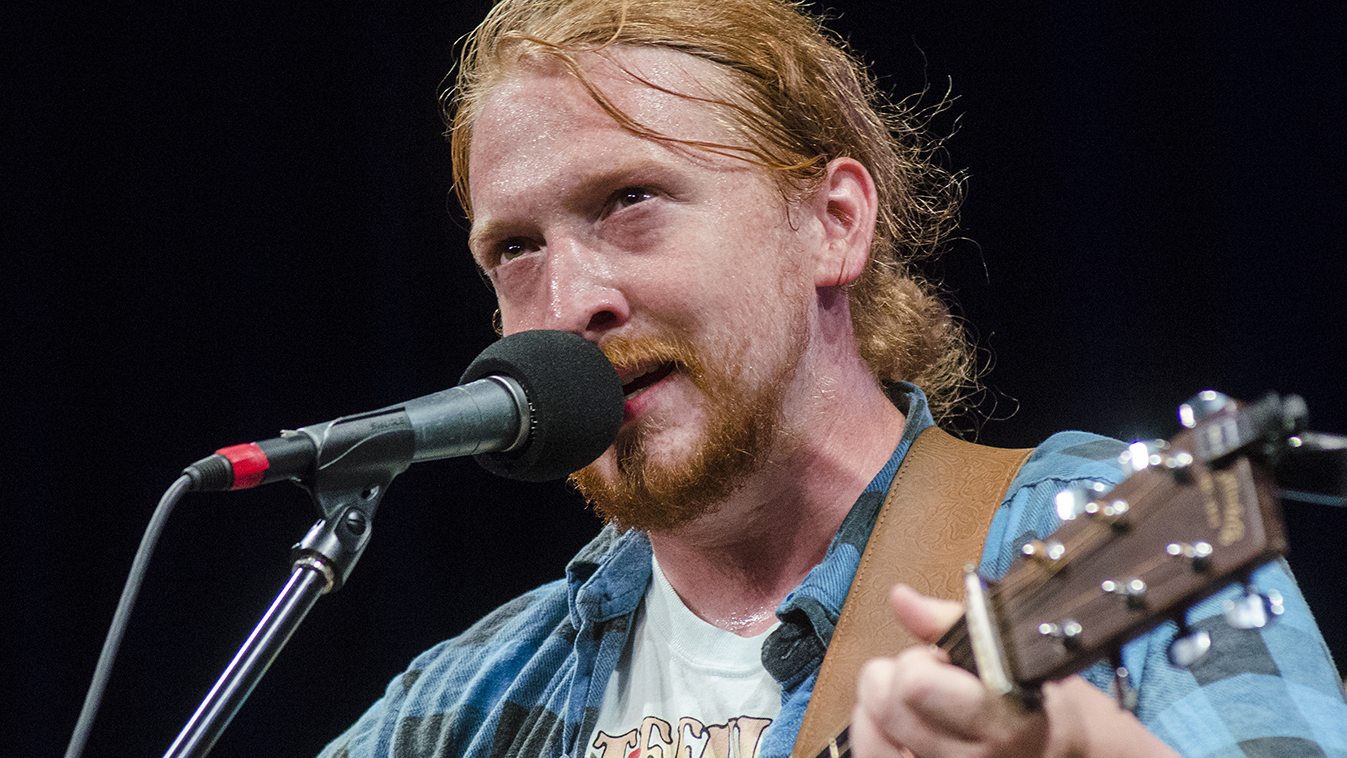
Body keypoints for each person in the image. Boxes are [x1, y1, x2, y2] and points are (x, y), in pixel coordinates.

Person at [319, 1, 1347, 756]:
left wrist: (1086, 747)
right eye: (514, 249)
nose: (571, 297)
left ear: (833, 223)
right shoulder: (466, 699)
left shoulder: (1094, 527)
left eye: (630, 198)